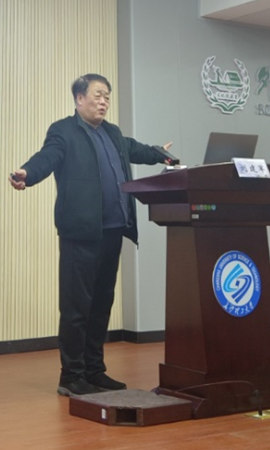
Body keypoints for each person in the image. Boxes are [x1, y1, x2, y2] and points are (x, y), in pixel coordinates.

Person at [9, 74, 173, 397]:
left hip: (113, 232)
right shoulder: (63, 131)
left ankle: (94, 371)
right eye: (98, 95)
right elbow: (47, 158)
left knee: (100, 305)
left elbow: (135, 150)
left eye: (107, 96)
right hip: (81, 234)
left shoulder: (112, 133)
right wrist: (27, 174)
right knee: (76, 307)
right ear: (79, 98)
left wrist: (160, 154)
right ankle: (71, 376)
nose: (103, 101)